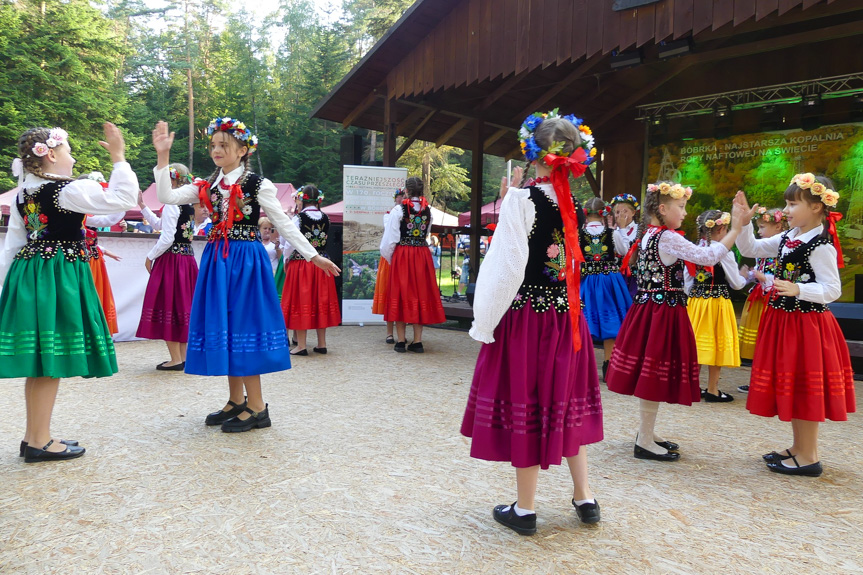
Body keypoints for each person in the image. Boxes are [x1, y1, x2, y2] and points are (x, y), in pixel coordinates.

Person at [461, 111, 603, 535]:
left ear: (532, 155)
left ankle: (525, 509)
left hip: (528, 320)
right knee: (562, 403)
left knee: (529, 400)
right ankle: (585, 498)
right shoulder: (574, 205)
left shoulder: (522, 201)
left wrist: (484, 323)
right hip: (566, 319)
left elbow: (506, 269)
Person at [152, 118, 340, 433]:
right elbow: (167, 198)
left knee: (244, 327)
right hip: (217, 260)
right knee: (226, 328)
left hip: (244, 261)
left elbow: (283, 223)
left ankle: (257, 407)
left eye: (223, 145)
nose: (216, 150)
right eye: (213, 145)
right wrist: (162, 158)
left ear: (242, 150)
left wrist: (313, 255)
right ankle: (236, 400)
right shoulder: (206, 186)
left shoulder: (258, 185)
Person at [0, 123, 138, 462]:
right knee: (51, 359)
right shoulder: (68, 190)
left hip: (30, 272)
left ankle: (35, 436)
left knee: (41, 361)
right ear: (50, 156)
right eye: (67, 150)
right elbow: (122, 199)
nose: (72, 156)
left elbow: (14, 243)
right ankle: (40, 441)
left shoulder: (24, 194)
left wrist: (6, 288)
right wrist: (119, 158)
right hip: (59, 273)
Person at [606, 181, 746, 461]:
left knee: (651, 373)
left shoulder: (648, 235)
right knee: (654, 373)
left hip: (648, 309)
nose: (683, 213)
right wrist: (735, 230)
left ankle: (646, 432)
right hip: (662, 312)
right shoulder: (667, 237)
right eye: (680, 207)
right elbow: (708, 256)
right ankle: (645, 439)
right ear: (662, 208)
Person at [734, 176, 854, 477]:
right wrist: (743, 223)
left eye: (792, 204)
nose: (786, 210)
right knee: (794, 386)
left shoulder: (820, 243)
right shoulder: (789, 237)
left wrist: (800, 290)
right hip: (786, 321)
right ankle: (799, 447)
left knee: (804, 387)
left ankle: (810, 455)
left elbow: (832, 289)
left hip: (806, 324)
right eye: (787, 204)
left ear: (816, 206)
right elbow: (751, 247)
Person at [136, 163, 199, 371]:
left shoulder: (173, 203)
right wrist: (143, 206)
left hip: (172, 260)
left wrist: (149, 256)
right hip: (187, 259)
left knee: (169, 304)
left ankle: (176, 359)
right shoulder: (187, 203)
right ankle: (182, 357)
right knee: (182, 307)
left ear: (172, 179)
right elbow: (160, 225)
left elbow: (168, 237)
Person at [684, 210, 747, 402]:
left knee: (697, 345)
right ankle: (712, 389)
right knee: (716, 345)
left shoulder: (694, 249)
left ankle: (692, 387)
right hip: (718, 303)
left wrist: (694, 296)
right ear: (720, 229)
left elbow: (687, 283)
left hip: (696, 303)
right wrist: (746, 275)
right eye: (726, 229)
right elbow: (736, 283)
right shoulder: (724, 252)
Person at [381, 177, 446, 352]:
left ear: (407, 191)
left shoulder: (398, 210)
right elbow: (427, 233)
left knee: (402, 293)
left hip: (403, 254)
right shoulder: (428, 210)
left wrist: (391, 259)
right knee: (420, 293)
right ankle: (417, 341)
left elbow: (389, 241)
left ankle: (401, 341)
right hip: (422, 255)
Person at [281, 185, 341, 355]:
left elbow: (290, 243)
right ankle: (322, 344)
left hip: (302, 264)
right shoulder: (326, 218)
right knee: (319, 301)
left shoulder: (299, 218)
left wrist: (286, 259)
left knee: (302, 301)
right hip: (322, 264)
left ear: (301, 199)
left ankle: (301, 345)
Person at [579, 197, 632, 382]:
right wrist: (623, 228)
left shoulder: (579, 234)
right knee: (612, 322)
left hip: (588, 282)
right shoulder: (613, 233)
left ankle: (585, 367)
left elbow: (574, 261)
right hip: (610, 281)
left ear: (585, 214)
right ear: (605, 213)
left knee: (585, 323)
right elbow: (625, 250)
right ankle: (609, 365)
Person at [737, 207, 786, 386]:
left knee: (769, 340)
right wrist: (749, 275)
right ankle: (758, 380)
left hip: (772, 299)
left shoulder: (783, 249)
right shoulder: (763, 249)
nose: (759, 231)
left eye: (762, 227)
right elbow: (760, 271)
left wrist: (764, 278)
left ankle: (769, 381)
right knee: (759, 341)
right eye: (758, 227)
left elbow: (783, 277)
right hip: (759, 298)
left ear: (779, 227)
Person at [373, 189, 405, 343]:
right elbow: (389, 235)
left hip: (403, 256)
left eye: (403, 197)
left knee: (401, 294)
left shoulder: (409, 212)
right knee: (388, 291)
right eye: (399, 197)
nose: (401, 199)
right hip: (389, 256)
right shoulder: (390, 213)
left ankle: (401, 332)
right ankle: (389, 332)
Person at [611, 193, 640, 298]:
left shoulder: (639, 230)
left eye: (625, 212)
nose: (621, 216)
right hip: (616, 276)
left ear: (633, 212)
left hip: (633, 277)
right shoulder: (612, 231)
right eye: (617, 212)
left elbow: (628, 253)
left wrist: (622, 228)